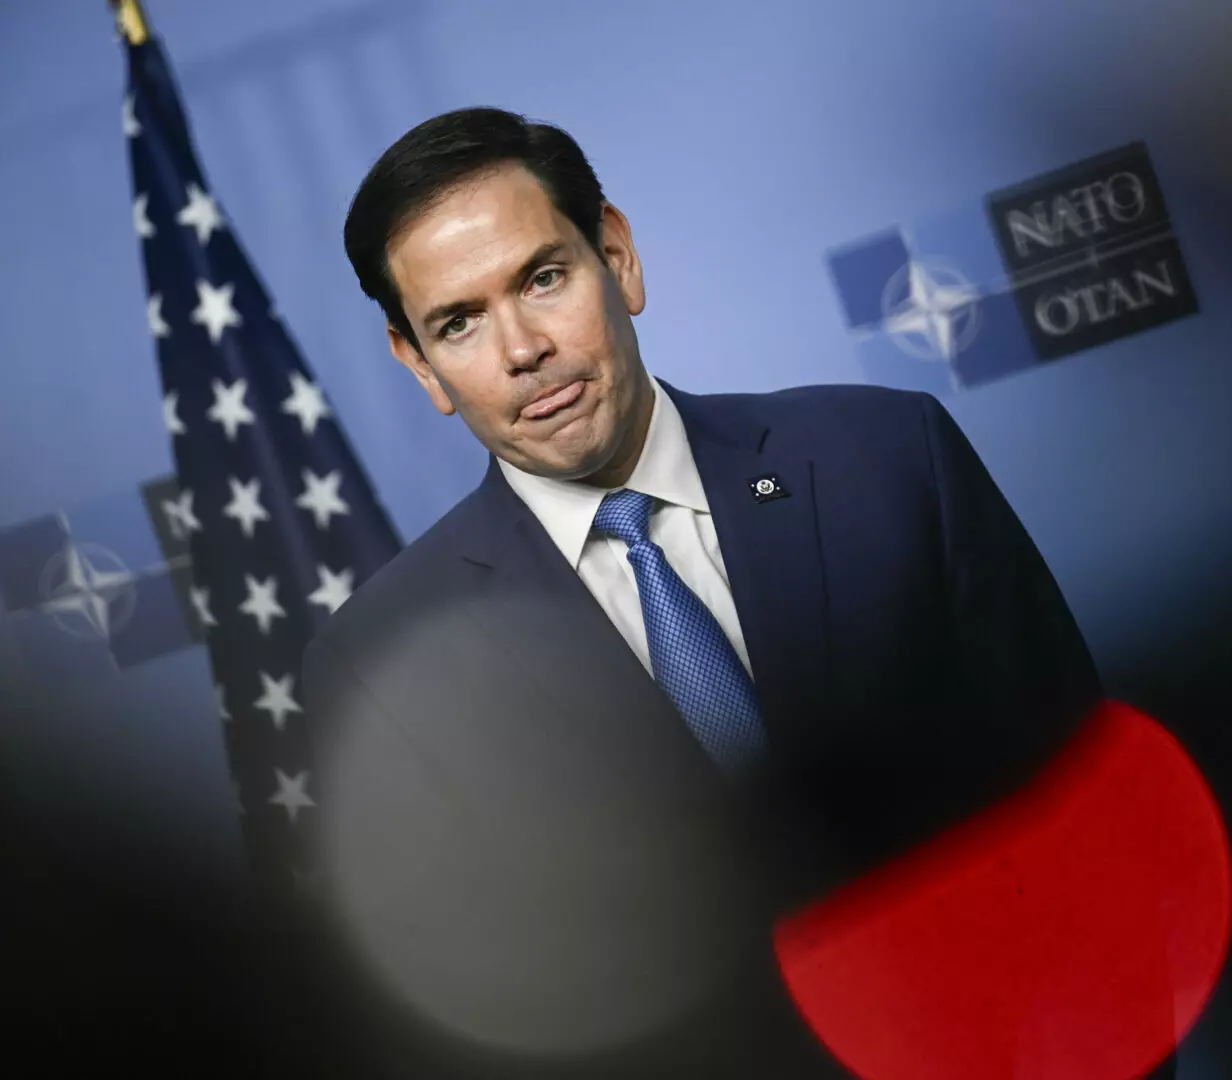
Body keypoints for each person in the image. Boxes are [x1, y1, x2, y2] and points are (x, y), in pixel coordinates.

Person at [303, 106, 1103, 1079]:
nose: (520, 349)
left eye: (543, 278)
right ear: (419, 364)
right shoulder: (386, 666)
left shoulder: (889, 459)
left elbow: (1092, 815)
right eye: (458, 323)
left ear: (617, 257)